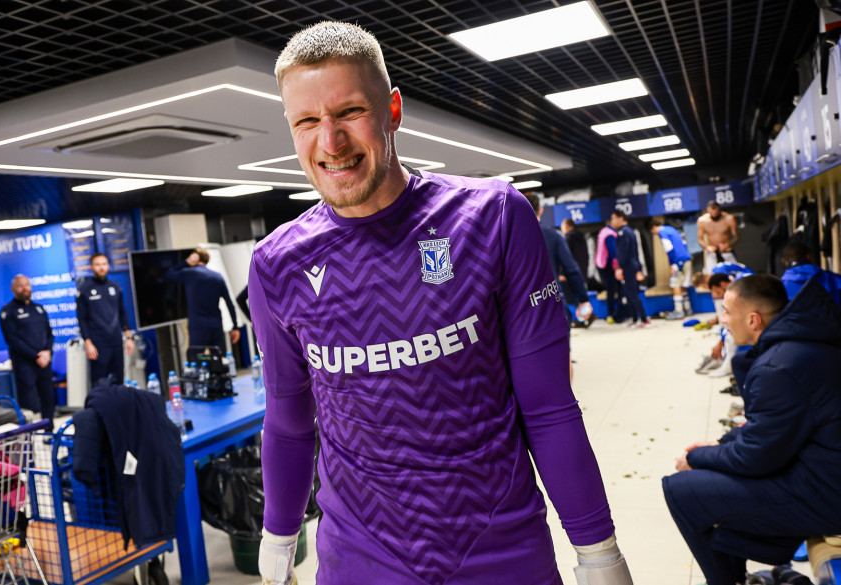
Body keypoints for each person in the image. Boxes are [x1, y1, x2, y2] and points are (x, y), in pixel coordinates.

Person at [250, 21, 632, 585]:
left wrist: (597, 548)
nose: (330, 142)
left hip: (500, 548)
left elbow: (548, 406)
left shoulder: (493, 217)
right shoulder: (277, 263)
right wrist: (278, 536)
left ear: (393, 110)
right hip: (359, 557)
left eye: (350, 112)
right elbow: (288, 422)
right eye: (307, 121)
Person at [663, 275, 841, 585]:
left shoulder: (779, 365)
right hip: (824, 472)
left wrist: (697, 457)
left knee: (683, 490)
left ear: (753, 320)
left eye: (727, 311)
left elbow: (756, 457)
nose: (723, 319)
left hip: (828, 493)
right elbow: (768, 429)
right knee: (714, 487)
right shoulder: (800, 345)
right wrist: (719, 443)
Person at [526, 195, 594, 328]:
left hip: (523, 310)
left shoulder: (505, 239)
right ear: (541, 210)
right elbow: (572, 269)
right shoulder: (554, 236)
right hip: (552, 302)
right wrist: (583, 299)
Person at [0, 274, 55, 420]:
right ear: (13, 289)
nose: (25, 288)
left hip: (44, 361)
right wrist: (36, 356)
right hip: (24, 364)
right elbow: (12, 340)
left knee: (48, 398)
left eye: (27, 285)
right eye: (20, 286)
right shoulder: (7, 311)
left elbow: (49, 333)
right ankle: (30, 431)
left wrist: (47, 352)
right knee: (28, 403)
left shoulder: (39, 308)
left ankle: (49, 430)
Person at [163, 247, 240, 351]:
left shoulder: (189, 273)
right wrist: (235, 327)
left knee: (196, 358)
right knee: (218, 358)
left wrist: (186, 262)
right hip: (216, 325)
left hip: (197, 327)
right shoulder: (218, 277)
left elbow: (167, 275)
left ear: (196, 258)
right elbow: (229, 303)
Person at [76, 253, 135, 384]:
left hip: (116, 341)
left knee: (118, 381)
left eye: (104, 264)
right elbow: (82, 319)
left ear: (108, 265)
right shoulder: (84, 290)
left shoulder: (115, 287)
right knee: (100, 384)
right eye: (97, 265)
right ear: (91, 267)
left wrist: (129, 337)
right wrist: (88, 343)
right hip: (98, 344)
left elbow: (122, 312)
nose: (101, 267)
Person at [610, 211, 649, 328]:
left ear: (621, 218)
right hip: (630, 266)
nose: (612, 221)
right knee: (629, 293)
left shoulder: (623, 232)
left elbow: (623, 252)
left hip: (628, 267)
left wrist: (620, 267)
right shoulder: (628, 231)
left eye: (613, 218)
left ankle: (644, 319)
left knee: (632, 293)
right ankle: (635, 318)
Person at [649, 218, 692, 319]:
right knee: (682, 284)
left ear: (654, 227)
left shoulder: (662, 232)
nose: (654, 234)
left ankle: (679, 311)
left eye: (652, 232)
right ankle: (688, 309)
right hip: (686, 258)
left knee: (675, 284)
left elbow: (669, 248)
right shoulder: (671, 229)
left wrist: (672, 264)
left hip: (677, 262)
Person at [697, 201, 740, 273]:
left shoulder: (729, 219)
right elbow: (700, 240)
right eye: (712, 213)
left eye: (716, 213)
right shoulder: (702, 221)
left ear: (719, 210)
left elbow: (737, 237)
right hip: (712, 253)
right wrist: (708, 247)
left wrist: (727, 245)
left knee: (734, 273)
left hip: (727, 251)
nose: (714, 215)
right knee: (711, 274)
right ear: (708, 210)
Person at [595, 221, 623, 323]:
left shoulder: (603, 231)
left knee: (610, 290)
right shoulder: (610, 234)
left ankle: (611, 314)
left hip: (601, 265)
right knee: (614, 290)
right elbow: (613, 252)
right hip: (608, 266)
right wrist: (618, 268)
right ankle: (614, 315)